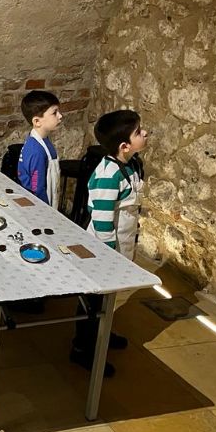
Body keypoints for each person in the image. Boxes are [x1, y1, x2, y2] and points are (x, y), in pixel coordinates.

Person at [71, 110, 148, 376]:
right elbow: (103, 220)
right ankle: (84, 347)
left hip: (122, 244)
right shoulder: (108, 174)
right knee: (92, 302)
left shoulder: (132, 164)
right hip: (104, 251)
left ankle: (103, 333)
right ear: (124, 145)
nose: (145, 133)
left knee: (109, 298)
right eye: (138, 132)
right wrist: (110, 255)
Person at [17, 90, 63, 208]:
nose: (60, 116)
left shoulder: (44, 141)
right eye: (54, 113)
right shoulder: (36, 151)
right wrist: (46, 210)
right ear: (37, 121)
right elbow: (36, 186)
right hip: (40, 205)